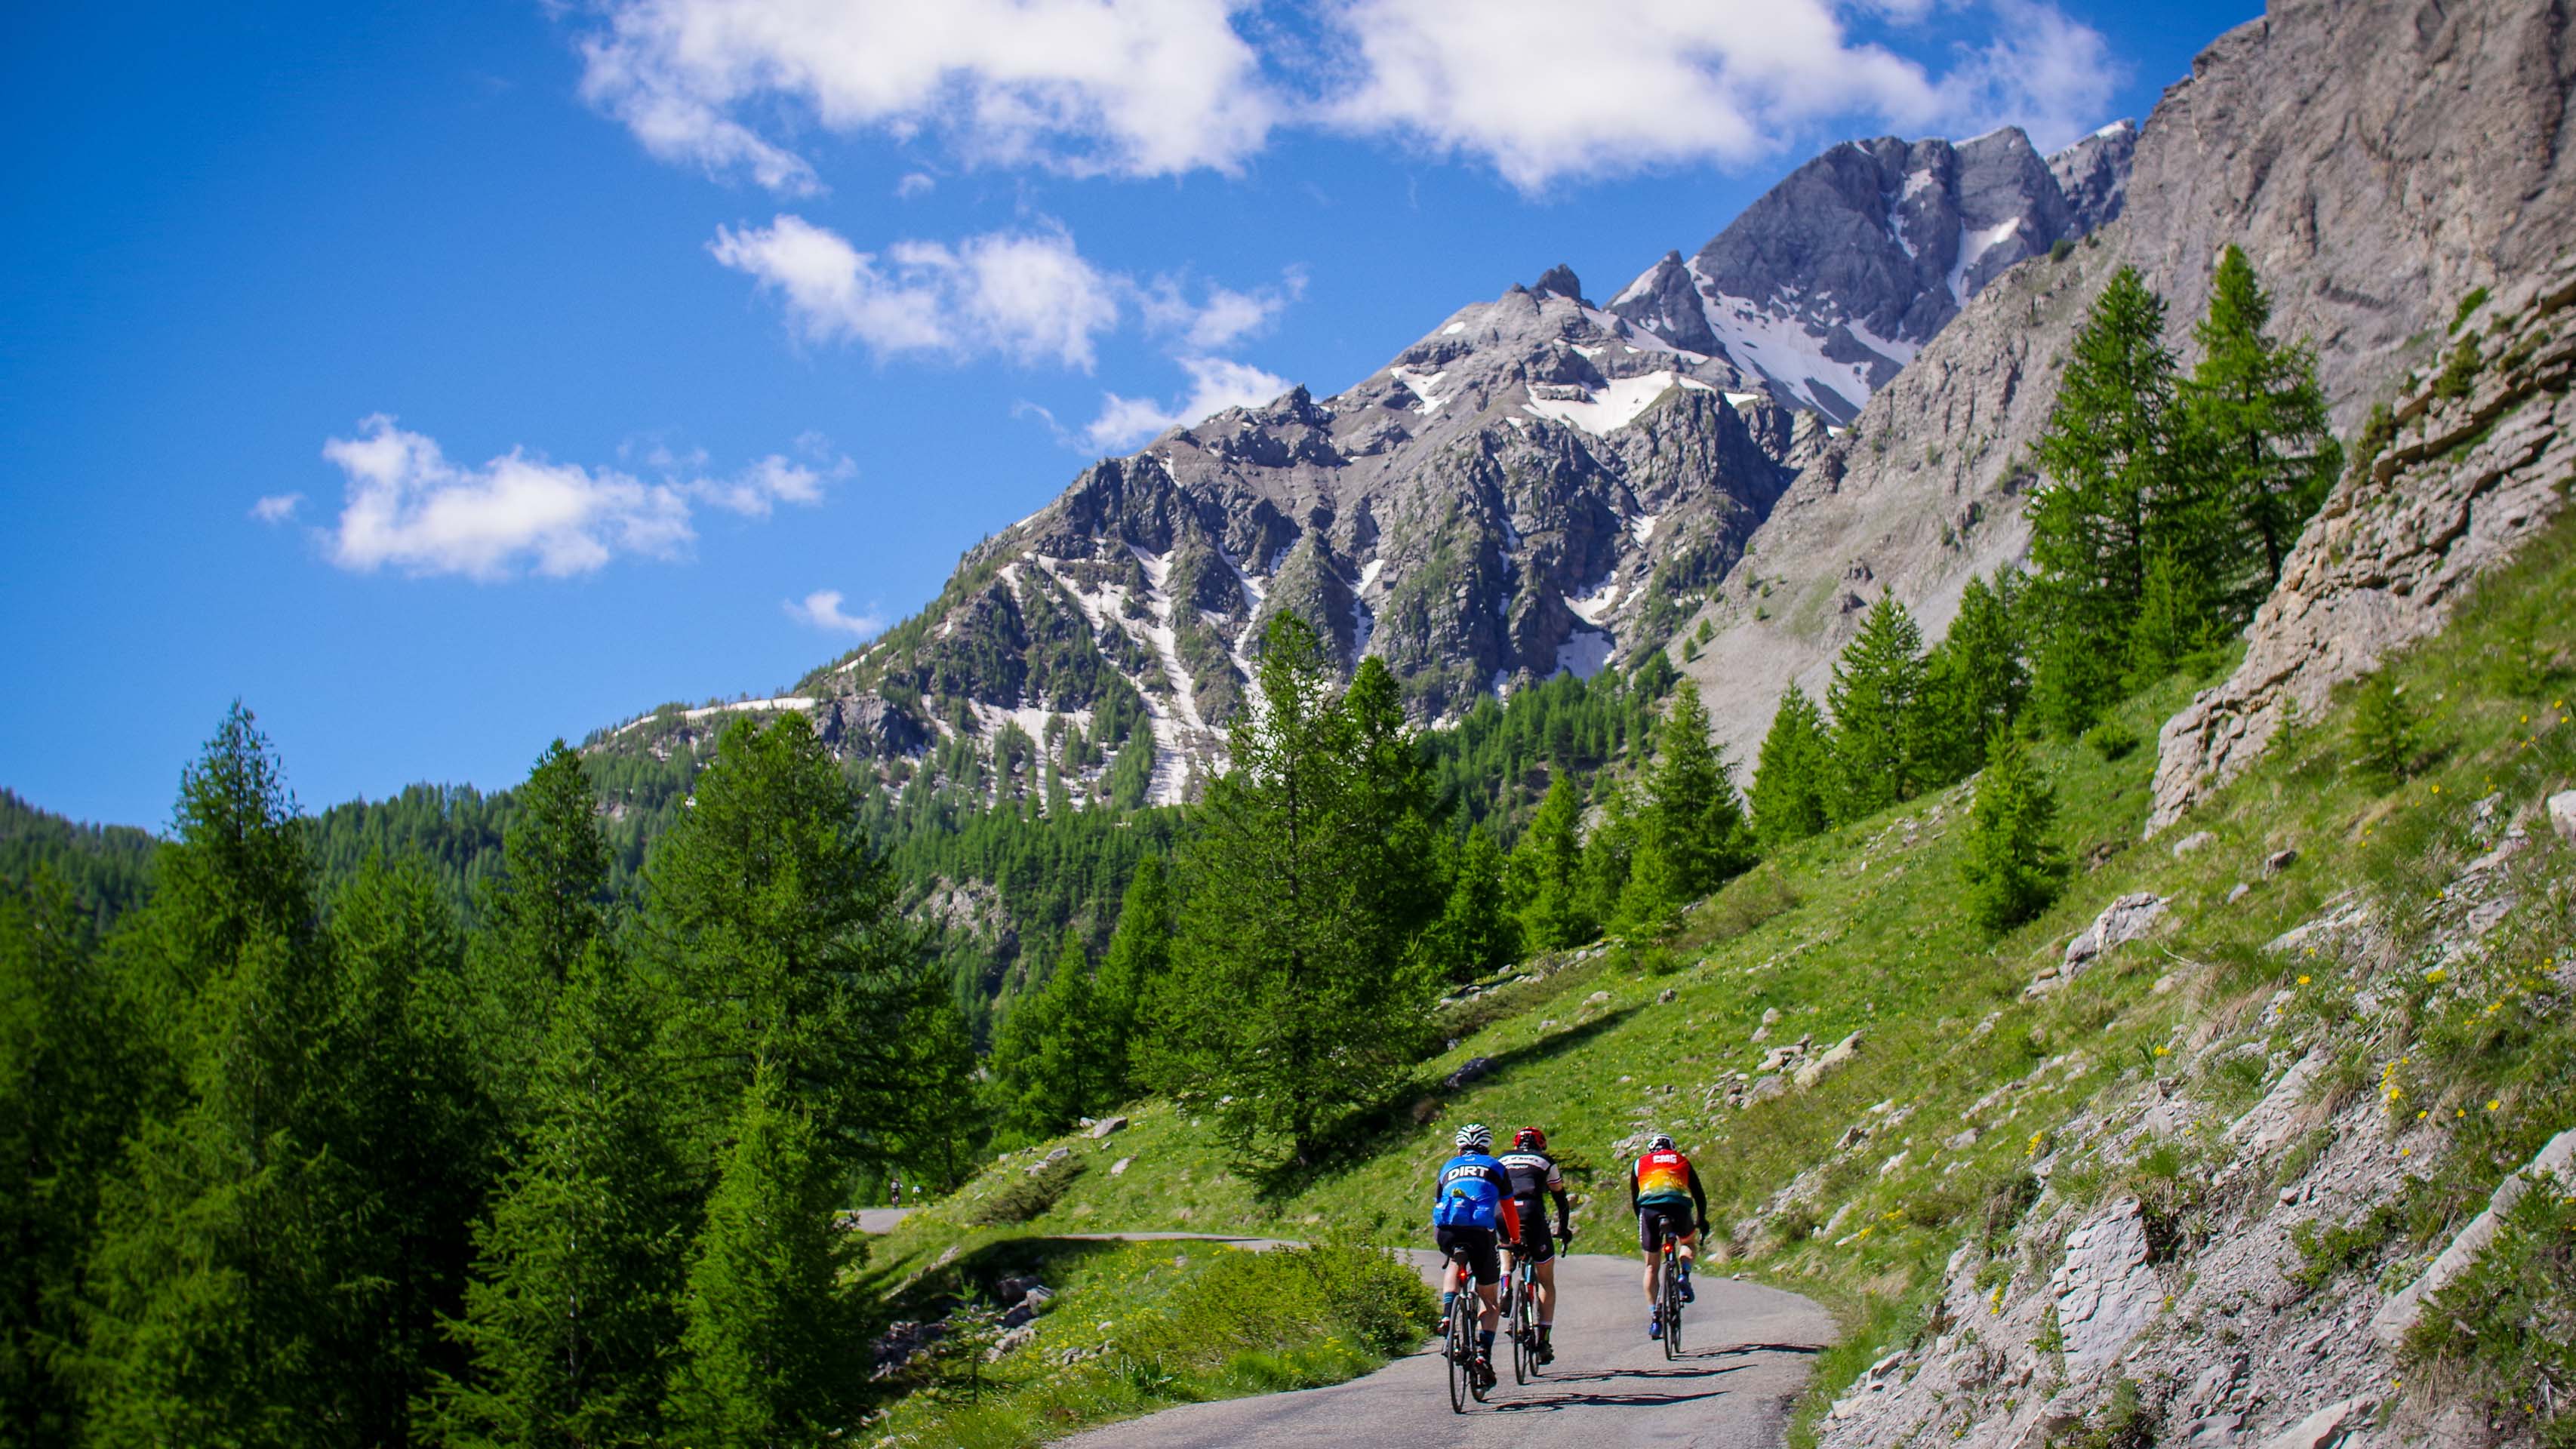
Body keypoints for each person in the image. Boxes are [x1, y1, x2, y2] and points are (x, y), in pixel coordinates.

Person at [1433, 1122, 1511, 1390]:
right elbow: (1508, 1210)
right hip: (1480, 1232)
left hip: (1447, 1232)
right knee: (1489, 1299)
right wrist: (1513, 1239)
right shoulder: (1496, 1166)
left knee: (1455, 1260)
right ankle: (1482, 1352)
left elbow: (1438, 1204)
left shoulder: (1448, 1166)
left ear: (1459, 1146)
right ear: (1487, 1145)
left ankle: (1446, 1314)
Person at [1496, 1126, 1574, 1364]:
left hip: (1503, 1212)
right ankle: (1543, 1339)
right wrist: (1563, 1229)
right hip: (1531, 1212)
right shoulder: (1544, 1160)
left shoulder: (1501, 1159)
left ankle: (1506, 1282)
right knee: (1546, 1281)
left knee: (1506, 1244)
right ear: (1540, 1144)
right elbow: (1560, 1198)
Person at [1629, 1132, 1708, 1341]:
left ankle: (1655, 1318)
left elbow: (1635, 1199)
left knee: (1651, 1267)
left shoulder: (1640, 1163)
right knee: (1688, 1242)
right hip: (1678, 1207)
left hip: (1650, 1212)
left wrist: (1643, 1222)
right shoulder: (1682, 1160)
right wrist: (1702, 1219)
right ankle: (1684, 1274)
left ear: (1651, 1149)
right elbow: (1699, 1194)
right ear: (1671, 1148)